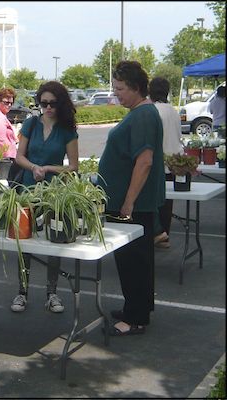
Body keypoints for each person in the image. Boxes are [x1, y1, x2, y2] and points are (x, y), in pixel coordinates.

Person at [98, 61, 165, 336]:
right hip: (129, 203)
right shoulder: (140, 113)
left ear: (136, 87)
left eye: (120, 89)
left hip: (132, 205)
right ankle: (134, 308)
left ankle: (136, 318)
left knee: (134, 260)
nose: (117, 94)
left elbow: (145, 161)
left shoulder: (143, 116)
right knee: (131, 260)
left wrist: (128, 202)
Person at [10, 81, 79, 313]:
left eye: (52, 103)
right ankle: (22, 291)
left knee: (54, 241)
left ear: (61, 104)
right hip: (28, 188)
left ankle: (52, 292)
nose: (48, 108)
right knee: (24, 240)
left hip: (55, 193)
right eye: (43, 103)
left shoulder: (67, 129)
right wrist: (33, 167)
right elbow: (19, 156)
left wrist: (48, 168)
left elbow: (73, 166)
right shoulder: (30, 124)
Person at [149, 77, 184, 249]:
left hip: (158, 163)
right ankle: (165, 236)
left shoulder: (152, 111)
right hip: (175, 162)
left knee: (153, 202)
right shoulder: (173, 111)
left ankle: (156, 234)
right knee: (167, 204)